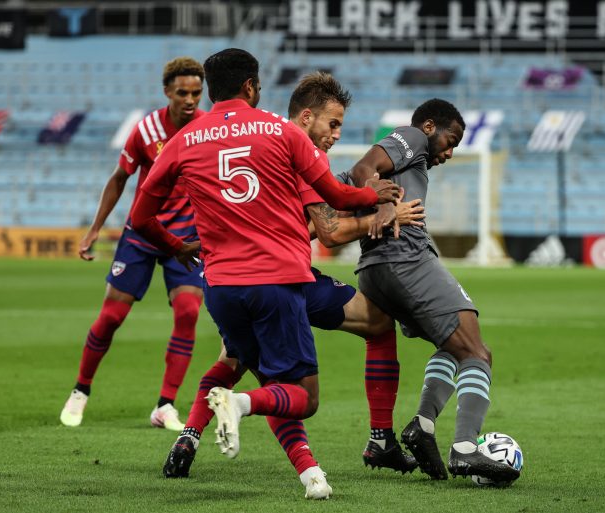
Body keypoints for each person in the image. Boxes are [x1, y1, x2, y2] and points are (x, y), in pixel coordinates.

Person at [129, 49, 400, 499]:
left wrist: (178, 248)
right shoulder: (280, 131)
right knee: (302, 396)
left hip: (219, 287)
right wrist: (374, 196)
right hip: (278, 281)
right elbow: (336, 196)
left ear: (210, 89)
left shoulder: (185, 139)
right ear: (251, 86)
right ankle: (242, 406)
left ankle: (305, 472)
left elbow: (140, 218)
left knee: (232, 363)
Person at [344, 98, 521, 484]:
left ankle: (422, 425)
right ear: (429, 127)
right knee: (477, 351)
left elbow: (352, 179)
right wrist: (383, 202)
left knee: (453, 347)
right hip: (405, 259)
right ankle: (465, 449)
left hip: (375, 270)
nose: (451, 151)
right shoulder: (410, 137)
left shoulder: (412, 160)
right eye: (450, 139)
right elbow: (362, 170)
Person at [60, 57, 206, 431]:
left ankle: (165, 405)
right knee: (111, 318)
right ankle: (80, 391)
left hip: (185, 241)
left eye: (196, 92)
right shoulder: (146, 130)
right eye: (182, 93)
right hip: (142, 235)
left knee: (188, 312)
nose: (190, 100)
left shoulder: (207, 129)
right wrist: (95, 229)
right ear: (166, 92)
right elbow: (119, 178)